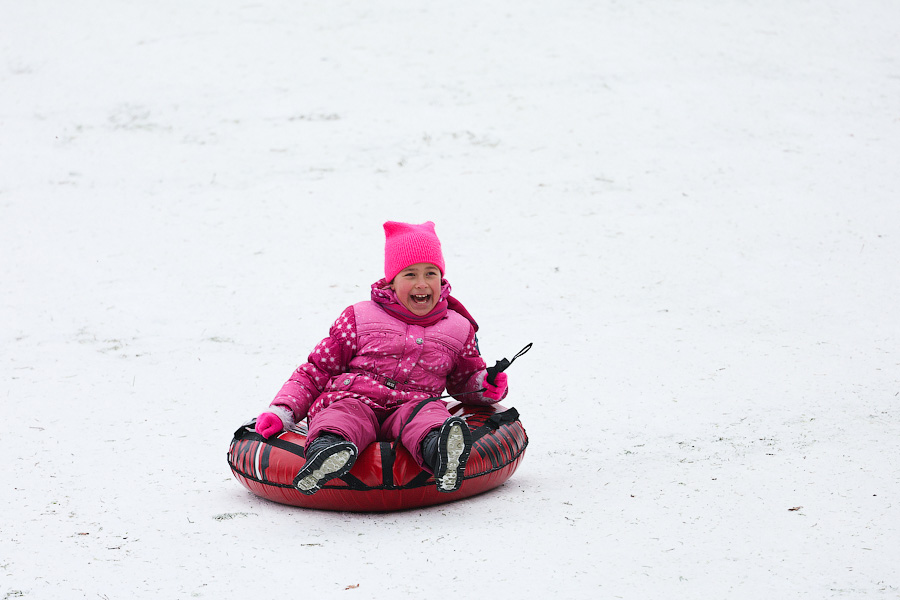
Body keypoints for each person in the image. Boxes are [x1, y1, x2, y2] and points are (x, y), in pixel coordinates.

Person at [254, 221, 509, 495]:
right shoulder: (359, 317)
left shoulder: (458, 327)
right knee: (344, 416)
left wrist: (486, 384)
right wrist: (283, 410)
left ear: (441, 279)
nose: (421, 284)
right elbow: (316, 370)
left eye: (430, 273)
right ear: (392, 280)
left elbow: (464, 381)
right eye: (410, 274)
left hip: (415, 403)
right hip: (354, 398)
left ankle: (443, 453)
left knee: (429, 417)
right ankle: (327, 453)